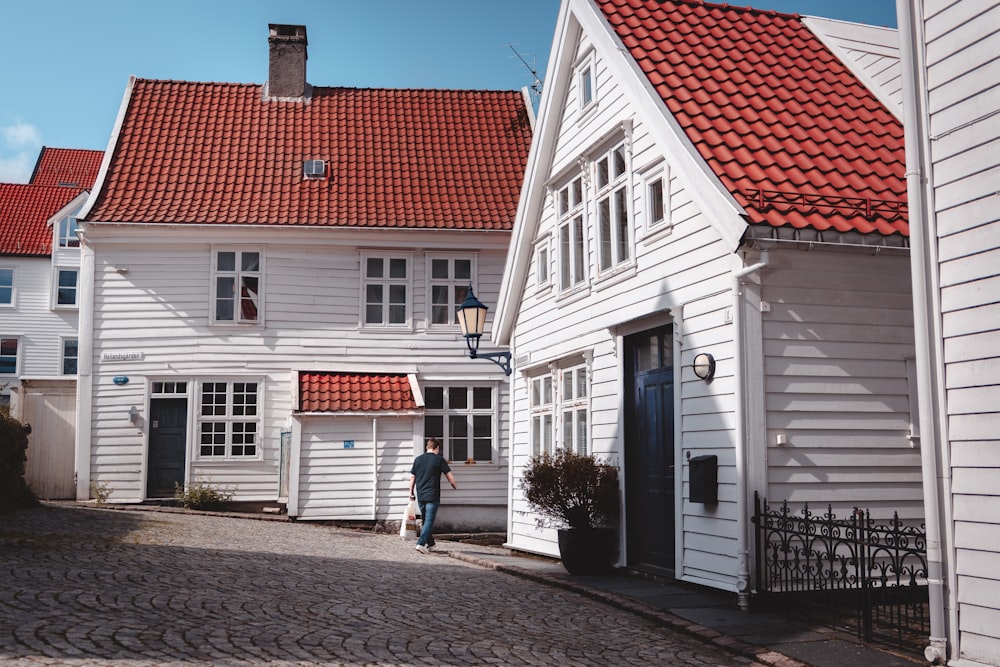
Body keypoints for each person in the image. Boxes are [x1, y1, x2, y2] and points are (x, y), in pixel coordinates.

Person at [408, 437, 457, 554]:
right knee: (429, 520)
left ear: (427, 447)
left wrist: (410, 493)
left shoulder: (418, 460)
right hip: (432, 494)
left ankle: (430, 543)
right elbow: (449, 476)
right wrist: (454, 485)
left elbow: (412, 477)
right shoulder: (439, 460)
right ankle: (420, 543)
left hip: (421, 494)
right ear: (437, 448)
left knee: (426, 520)